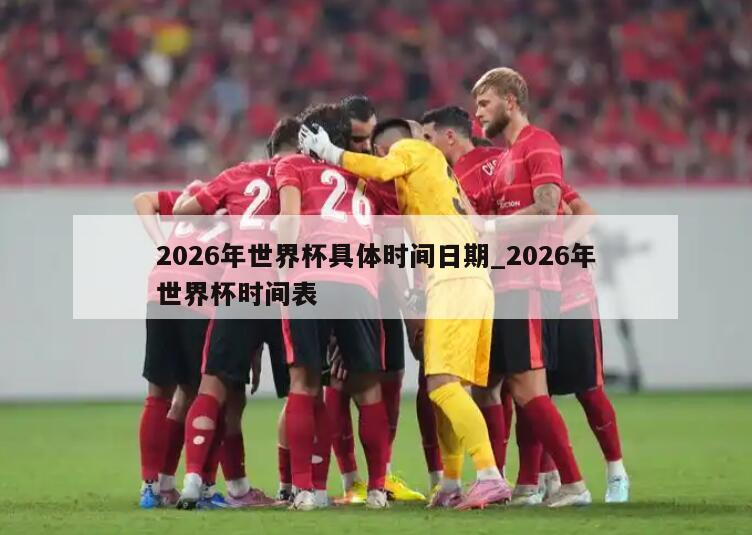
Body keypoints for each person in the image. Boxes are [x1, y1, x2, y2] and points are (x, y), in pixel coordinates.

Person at [298, 116, 512, 510]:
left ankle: (489, 475)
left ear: (386, 149)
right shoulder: (437, 178)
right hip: (470, 278)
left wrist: (329, 152)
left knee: (441, 385)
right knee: (449, 386)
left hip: (454, 279)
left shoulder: (410, 150)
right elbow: (478, 227)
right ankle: (451, 483)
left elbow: (381, 170)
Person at [472, 66, 591, 507]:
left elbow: (546, 207)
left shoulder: (539, 143)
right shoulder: (506, 158)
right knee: (522, 389)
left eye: (485, 103)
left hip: (530, 282)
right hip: (509, 284)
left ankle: (573, 484)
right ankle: (545, 482)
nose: (478, 113)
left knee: (526, 386)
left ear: (511, 101)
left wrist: (492, 226)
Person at [171, 118, 300, 509]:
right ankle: (303, 488)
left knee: (215, 387)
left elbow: (183, 210)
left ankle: (194, 483)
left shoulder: (237, 174)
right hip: (285, 289)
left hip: (239, 286)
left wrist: (225, 216)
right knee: (304, 389)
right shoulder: (305, 176)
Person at [276, 103, 392, 511]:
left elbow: (290, 219)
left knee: (304, 383)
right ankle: (377, 490)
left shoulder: (293, 165)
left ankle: (305, 491)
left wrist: (283, 270)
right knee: (368, 388)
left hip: (308, 276)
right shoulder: (366, 174)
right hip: (359, 283)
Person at [325, 95, 425, 503]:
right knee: (337, 380)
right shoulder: (328, 176)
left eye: (369, 138)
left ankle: (381, 472)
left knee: (390, 377)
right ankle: (351, 481)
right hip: (343, 286)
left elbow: (392, 245)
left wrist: (406, 303)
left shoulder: (380, 177)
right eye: (357, 139)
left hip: (382, 291)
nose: (366, 147)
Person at [420, 105, 515, 478]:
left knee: (473, 385)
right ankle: (529, 478)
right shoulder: (505, 159)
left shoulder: (448, 178)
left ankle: (496, 476)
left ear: (449, 136)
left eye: (428, 137)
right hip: (505, 282)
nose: (424, 145)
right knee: (504, 385)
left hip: (476, 286)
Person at [133, 181, 228, 509]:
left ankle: (152, 486)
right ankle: (199, 484)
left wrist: (162, 244)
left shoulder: (192, 199)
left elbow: (142, 199)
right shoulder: (236, 209)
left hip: (160, 289)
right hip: (198, 293)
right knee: (204, 392)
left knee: (158, 394)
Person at [540, 183, 629, 503]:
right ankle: (549, 477)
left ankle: (616, 472)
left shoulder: (550, 184)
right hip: (536, 301)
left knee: (589, 390)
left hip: (573, 299)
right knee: (537, 394)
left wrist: (562, 240)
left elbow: (586, 214)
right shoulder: (510, 188)